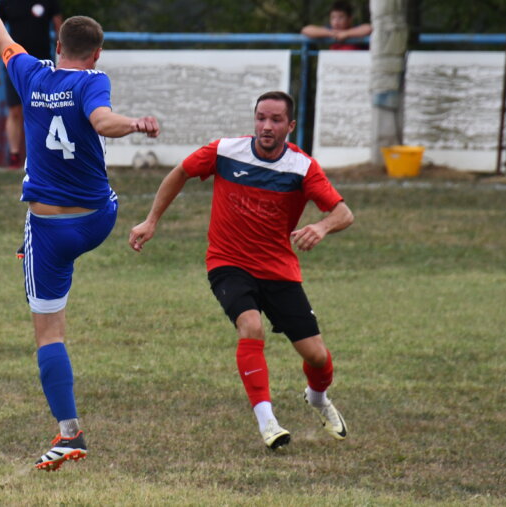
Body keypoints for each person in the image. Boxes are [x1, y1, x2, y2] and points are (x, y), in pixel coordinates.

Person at [0, 0, 159, 471]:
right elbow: (102, 119)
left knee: (49, 333)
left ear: (57, 43)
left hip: (48, 228)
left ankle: (69, 433)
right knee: (97, 197)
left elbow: (0, 36)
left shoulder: (31, 73)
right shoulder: (93, 81)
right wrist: (133, 123)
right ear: (97, 54)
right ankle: (68, 434)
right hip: (97, 220)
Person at [128, 90, 354, 450]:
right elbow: (180, 173)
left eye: (276, 120)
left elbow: (344, 213)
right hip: (228, 262)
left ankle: (316, 398)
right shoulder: (224, 151)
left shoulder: (302, 167)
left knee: (317, 356)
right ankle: (268, 423)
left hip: (279, 270)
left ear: (290, 126)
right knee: (251, 326)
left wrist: (322, 227)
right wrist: (151, 220)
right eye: (261, 117)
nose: (267, 126)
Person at [0, 0, 63, 168]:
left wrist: (64, 58)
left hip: (43, 63)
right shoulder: (6, 0)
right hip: (14, 63)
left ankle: (45, 152)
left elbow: (60, 30)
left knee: (44, 108)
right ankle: (14, 154)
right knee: (14, 110)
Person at [300, 0, 372, 50]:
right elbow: (306, 30)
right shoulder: (330, 30)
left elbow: (368, 28)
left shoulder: (355, 31)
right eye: (333, 18)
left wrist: (346, 34)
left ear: (350, 19)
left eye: (341, 17)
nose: (336, 22)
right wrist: (330, 34)